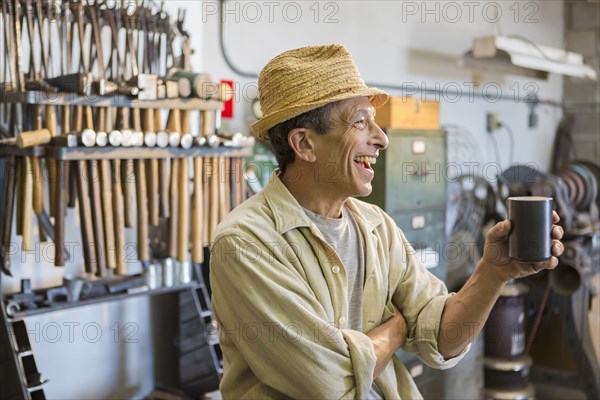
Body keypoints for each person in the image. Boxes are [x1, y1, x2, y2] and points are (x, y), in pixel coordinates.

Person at [209, 44, 564, 399]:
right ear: (304, 144)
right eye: (360, 122)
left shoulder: (375, 226)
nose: (381, 139)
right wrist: (395, 330)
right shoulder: (246, 244)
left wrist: (493, 272)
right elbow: (329, 386)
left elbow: (442, 338)